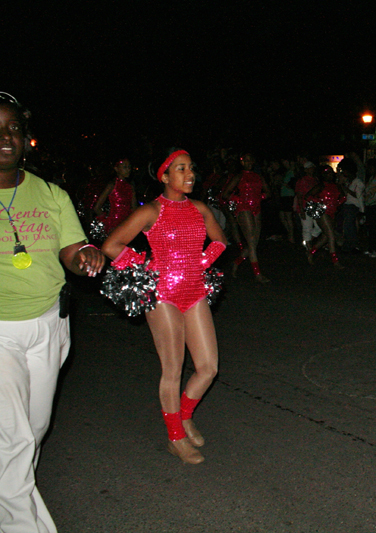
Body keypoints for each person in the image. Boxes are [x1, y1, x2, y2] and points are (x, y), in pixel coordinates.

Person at [1, 92, 106, 532]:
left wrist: (85, 256)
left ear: (26, 138)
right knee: (14, 437)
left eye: (13, 128)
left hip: (49, 324)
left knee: (35, 428)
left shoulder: (50, 194)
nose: (5, 137)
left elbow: (71, 250)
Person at [102, 149, 227, 464]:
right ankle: (175, 438)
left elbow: (220, 241)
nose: (190, 174)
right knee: (172, 369)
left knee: (208, 368)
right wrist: (143, 264)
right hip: (162, 295)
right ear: (165, 176)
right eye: (181, 169)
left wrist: (201, 263)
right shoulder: (152, 211)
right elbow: (111, 245)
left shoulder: (200, 208)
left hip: (195, 291)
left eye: (191, 168)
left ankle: (184, 417)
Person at [222, 153, 270, 282]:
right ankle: (257, 274)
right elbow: (225, 194)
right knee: (251, 239)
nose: (248, 163)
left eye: (250, 160)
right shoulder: (239, 176)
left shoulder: (258, 176)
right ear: (242, 162)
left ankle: (236, 262)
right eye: (246, 161)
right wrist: (239, 199)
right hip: (243, 208)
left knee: (254, 242)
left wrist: (260, 197)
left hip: (256, 208)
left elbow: (268, 192)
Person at [306, 164, 346, 268]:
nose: (330, 175)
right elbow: (308, 196)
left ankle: (311, 252)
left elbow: (343, 197)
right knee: (331, 235)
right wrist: (319, 203)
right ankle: (335, 260)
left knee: (325, 237)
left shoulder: (337, 186)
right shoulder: (321, 186)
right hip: (323, 213)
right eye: (327, 173)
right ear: (323, 175)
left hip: (332, 213)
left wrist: (336, 203)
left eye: (331, 173)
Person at [93, 157, 138, 235]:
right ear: (116, 169)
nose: (128, 170)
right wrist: (107, 222)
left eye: (129, 167)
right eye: (124, 167)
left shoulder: (130, 186)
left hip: (127, 224)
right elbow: (97, 207)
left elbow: (134, 208)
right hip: (114, 226)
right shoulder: (112, 185)